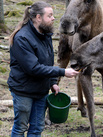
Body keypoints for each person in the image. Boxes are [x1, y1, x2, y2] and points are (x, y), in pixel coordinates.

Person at [7, 1, 79, 136]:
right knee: (21, 127)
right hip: (23, 91)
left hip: (41, 91)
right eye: (49, 15)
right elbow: (33, 68)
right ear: (38, 18)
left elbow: (48, 61)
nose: (53, 18)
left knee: (37, 128)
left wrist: (52, 82)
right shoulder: (22, 38)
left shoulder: (45, 35)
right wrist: (62, 72)